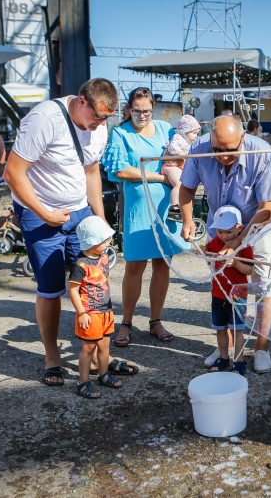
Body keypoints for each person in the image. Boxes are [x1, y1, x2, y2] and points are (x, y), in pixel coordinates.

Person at [4, 78, 120, 387]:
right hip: (40, 213)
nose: (99, 125)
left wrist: (101, 221)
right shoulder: (45, 119)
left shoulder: (100, 125)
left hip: (78, 210)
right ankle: (52, 357)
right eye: (96, 117)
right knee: (51, 287)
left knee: (94, 279)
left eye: (106, 119)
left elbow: (92, 170)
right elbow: (12, 173)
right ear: (82, 101)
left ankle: (99, 356)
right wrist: (45, 213)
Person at [180, 114, 271, 373]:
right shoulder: (199, 148)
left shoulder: (260, 151)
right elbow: (187, 188)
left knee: (265, 283)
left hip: (258, 227)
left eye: (229, 151)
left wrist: (240, 240)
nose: (222, 157)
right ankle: (225, 346)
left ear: (242, 138)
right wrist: (187, 219)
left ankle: (261, 348)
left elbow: (267, 208)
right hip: (221, 226)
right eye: (217, 150)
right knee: (223, 282)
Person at [101, 87, 188, 347]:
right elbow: (119, 170)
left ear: (153, 109)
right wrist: (159, 176)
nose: (142, 115)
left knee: (162, 263)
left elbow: (182, 157)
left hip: (165, 205)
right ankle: (126, 321)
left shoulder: (166, 129)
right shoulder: (120, 132)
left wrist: (177, 175)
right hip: (138, 208)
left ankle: (155, 320)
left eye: (147, 111)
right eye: (137, 111)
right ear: (129, 109)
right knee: (135, 266)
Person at [69, 216, 122, 399]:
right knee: (88, 348)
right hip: (90, 313)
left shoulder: (104, 257)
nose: (109, 242)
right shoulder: (80, 264)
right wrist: (81, 312)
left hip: (106, 310)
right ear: (91, 242)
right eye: (104, 239)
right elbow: (73, 290)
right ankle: (83, 382)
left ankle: (103, 373)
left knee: (105, 344)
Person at [203, 206, 253, 376]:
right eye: (220, 231)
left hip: (237, 295)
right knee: (220, 328)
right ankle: (224, 358)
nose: (224, 236)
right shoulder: (215, 243)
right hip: (218, 294)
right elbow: (209, 258)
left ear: (239, 228)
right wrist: (205, 253)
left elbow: (250, 270)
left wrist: (237, 264)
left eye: (229, 232)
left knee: (237, 330)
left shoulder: (243, 246)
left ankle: (239, 360)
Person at [161, 114, 201, 220]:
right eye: (194, 133)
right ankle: (174, 206)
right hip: (170, 165)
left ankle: (184, 209)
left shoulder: (189, 143)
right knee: (179, 184)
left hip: (178, 166)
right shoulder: (178, 138)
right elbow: (173, 148)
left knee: (186, 186)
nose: (196, 136)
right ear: (185, 131)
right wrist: (185, 155)